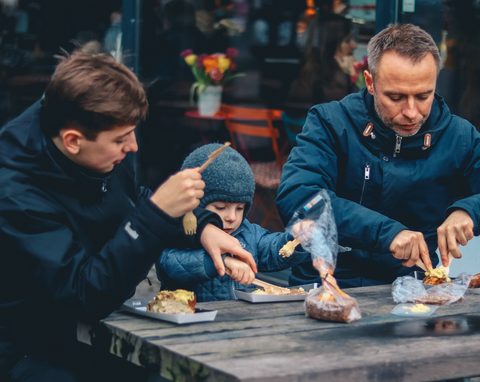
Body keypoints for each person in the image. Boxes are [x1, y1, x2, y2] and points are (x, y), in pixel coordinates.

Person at [0, 52, 256, 381]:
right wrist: (155, 213)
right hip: (27, 347)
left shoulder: (99, 146)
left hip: (91, 331)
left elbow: (130, 202)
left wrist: (201, 228)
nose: (133, 146)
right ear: (73, 141)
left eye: (133, 132)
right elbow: (84, 294)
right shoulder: (15, 195)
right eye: (121, 139)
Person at [277, 23, 480, 289]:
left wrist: (469, 212)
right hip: (326, 283)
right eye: (395, 97)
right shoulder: (330, 122)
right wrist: (387, 233)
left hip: (416, 288)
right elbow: (298, 196)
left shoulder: (460, 136)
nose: (411, 111)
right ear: (370, 83)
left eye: (423, 96)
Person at [156, 143, 309, 301]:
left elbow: (274, 251)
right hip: (192, 319)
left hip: (239, 321)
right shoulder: (184, 233)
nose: (232, 217)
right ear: (195, 206)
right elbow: (167, 265)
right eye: (221, 207)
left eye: (240, 208)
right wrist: (221, 262)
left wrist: (296, 239)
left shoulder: (249, 234)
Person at [286, 12, 358, 119]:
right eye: (348, 40)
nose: (354, 45)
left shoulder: (300, 82)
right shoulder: (342, 87)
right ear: (333, 45)